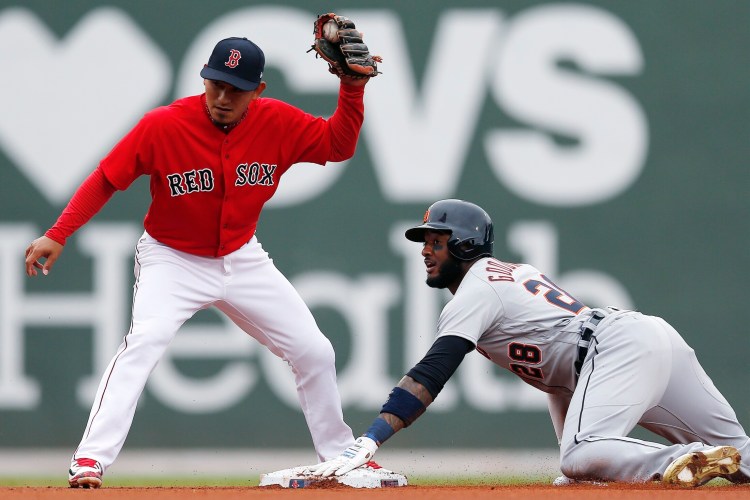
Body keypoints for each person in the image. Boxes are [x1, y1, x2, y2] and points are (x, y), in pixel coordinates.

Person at [25, 33, 404, 489]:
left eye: (236, 89)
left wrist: (353, 89)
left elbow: (337, 144)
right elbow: (107, 177)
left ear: (258, 90)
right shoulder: (163, 125)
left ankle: (339, 456)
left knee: (315, 351)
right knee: (145, 341)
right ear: (204, 78)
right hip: (172, 258)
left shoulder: (277, 122)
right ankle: (90, 459)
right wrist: (58, 233)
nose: (223, 97)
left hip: (242, 256)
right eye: (215, 84)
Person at [307, 199, 749, 487]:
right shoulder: (512, 272)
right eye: (425, 241)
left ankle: (689, 458)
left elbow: (433, 371)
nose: (425, 250)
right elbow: (560, 372)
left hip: (615, 350)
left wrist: (372, 437)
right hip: (638, 342)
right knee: (740, 455)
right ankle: (708, 455)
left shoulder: (477, 288)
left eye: (436, 240)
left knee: (579, 456)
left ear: (464, 244)